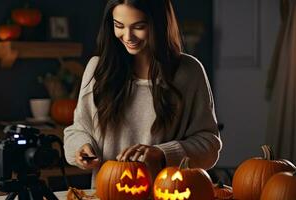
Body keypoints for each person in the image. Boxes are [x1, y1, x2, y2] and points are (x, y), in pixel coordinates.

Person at [63, 0, 222, 186]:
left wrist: (162, 154)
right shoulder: (97, 69)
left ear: (159, 25)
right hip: (106, 194)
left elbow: (209, 145)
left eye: (139, 27)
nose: (128, 36)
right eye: (119, 26)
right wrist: (81, 148)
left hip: (166, 194)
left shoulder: (189, 71)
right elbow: (79, 129)